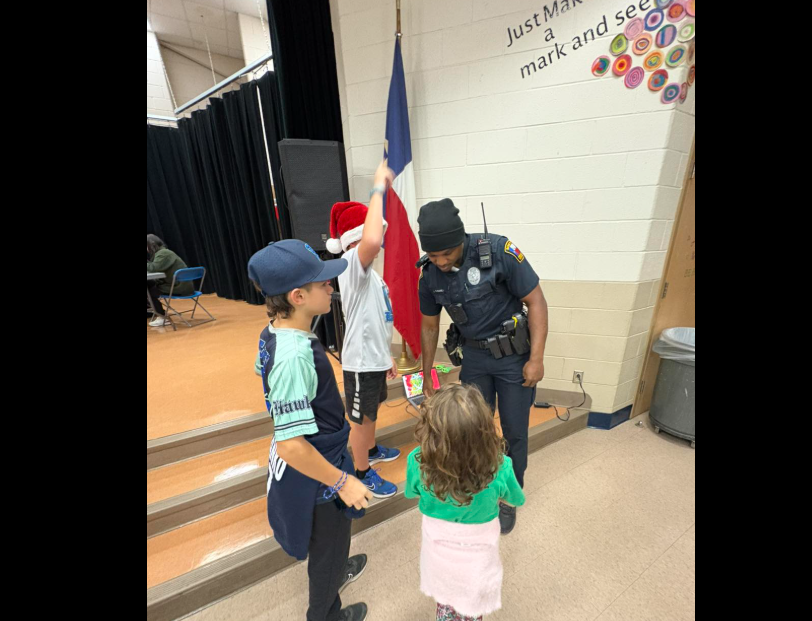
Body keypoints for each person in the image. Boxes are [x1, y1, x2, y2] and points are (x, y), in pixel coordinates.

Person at [249, 240, 372, 621]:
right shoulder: (293, 358)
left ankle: (336, 567)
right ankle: (325, 611)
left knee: (334, 544)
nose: (331, 287)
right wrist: (342, 482)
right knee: (327, 548)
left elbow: (263, 373)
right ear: (298, 296)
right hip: (319, 474)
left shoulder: (275, 332)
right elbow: (291, 446)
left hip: (323, 450)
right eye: (323, 284)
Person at [417, 199, 549, 535]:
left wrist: (536, 359)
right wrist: (426, 374)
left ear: (460, 239)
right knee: (473, 429)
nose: (441, 261)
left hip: (513, 358)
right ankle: (480, 489)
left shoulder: (499, 251)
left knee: (514, 432)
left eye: (446, 253)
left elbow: (536, 301)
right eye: (433, 255)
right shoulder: (429, 274)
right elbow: (429, 325)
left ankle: (508, 497)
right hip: (474, 358)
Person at [406, 384, 526, 621]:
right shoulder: (500, 466)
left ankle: (446, 612)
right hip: (478, 550)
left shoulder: (417, 461)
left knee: (445, 588)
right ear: (485, 428)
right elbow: (515, 498)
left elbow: (412, 492)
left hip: (437, 543)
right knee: (473, 597)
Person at [325, 161, 402, 500]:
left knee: (371, 412)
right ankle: (361, 471)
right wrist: (378, 187)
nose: (379, 239)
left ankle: (369, 451)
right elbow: (370, 238)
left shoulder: (371, 274)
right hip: (359, 362)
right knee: (361, 419)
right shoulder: (351, 265)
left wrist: (387, 357)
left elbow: (379, 320)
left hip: (374, 359)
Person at [146, 235, 193, 327]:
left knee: (149, 289)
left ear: (151, 244)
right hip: (181, 285)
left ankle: (162, 317)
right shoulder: (163, 252)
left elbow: (153, 268)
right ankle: (158, 313)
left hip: (179, 288)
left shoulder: (163, 253)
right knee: (150, 285)